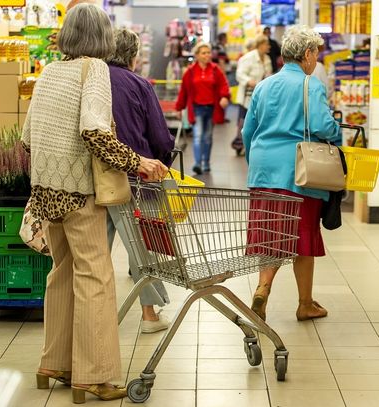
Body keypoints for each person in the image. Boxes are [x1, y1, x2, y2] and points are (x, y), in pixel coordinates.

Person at [22, 4, 168, 403]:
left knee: (62, 273)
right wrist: (137, 161)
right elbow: (95, 132)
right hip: (80, 193)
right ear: (102, 37)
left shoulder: (49, 72)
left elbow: (27, 136)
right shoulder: (95, 71)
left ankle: (53, 363)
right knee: (96, 278)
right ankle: (94, 376)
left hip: (46, 191)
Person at [242, 25, 341, 322]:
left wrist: (257, 162)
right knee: (303, 237)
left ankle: (262, 288)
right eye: (316, 54)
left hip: (264, 171)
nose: (315, 61)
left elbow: (248, 130)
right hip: (299, 171)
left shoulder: (263, 85)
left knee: (271, 234)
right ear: (307, 54)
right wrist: (338, 135)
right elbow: (324, 126)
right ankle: (305, 303)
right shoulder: (310, 85)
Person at [105, 28, 174, 334]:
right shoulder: (139, 85)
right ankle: (149, 314)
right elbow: (160, 137)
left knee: (95, 252)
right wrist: (162, 162)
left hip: (97, 178)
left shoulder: (93, 81)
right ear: (134, 56)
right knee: (142, 246)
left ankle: (92, 315)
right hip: (137, 177)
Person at [175, 42, 230, 175]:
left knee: (208, 137)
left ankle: (206, 162)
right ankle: (197, 163)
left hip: (212, 108)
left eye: (208, 52)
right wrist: (179, 107)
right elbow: (184, 91)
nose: (207, 55)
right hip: (196, 108)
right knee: (198, 136)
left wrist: (224, 96)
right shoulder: (190, 72)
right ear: (197, 55)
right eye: (203, 53)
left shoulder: (216, 70)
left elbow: (224, 85)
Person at [232, 34, 272, 155]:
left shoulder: (267, 59)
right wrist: (249, 81)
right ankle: (239, 143)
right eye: (266, 44)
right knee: (243, 121)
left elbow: (269, 73)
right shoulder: (248, 58)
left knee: (257, 120)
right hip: (247, 95)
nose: (268, 47)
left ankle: (252, 144)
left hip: (261, 94)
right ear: (260, 45)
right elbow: (239, 74)